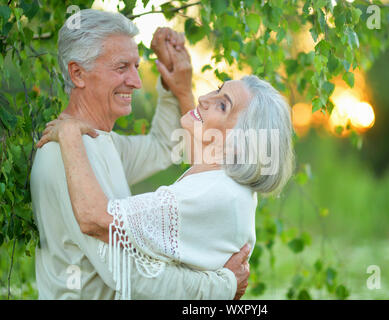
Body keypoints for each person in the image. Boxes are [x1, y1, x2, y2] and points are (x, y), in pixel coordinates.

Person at [30, 8, 250, 300]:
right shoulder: (65, 154)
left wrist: (174, 84)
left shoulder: (102, 143)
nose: (135, 81)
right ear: (78, 73)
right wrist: (223, 285)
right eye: (122, 68)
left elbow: (164, 146)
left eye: (136, 66)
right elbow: (128, 273)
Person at [36, 73, 295, 299]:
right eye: (218, 88)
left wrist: (70, 135)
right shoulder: (225, 184)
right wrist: (180, 88)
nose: (204, 98)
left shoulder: (214, 193)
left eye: (222, 105)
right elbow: (199, 153)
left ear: (239, 143)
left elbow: (95, 220)